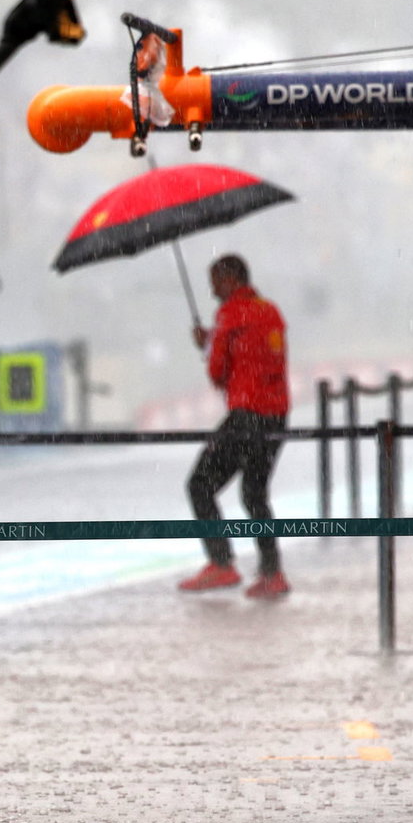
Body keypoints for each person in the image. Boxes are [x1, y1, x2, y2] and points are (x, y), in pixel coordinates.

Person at [179, 254, 292, 599]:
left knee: (200, 484)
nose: (212, 291)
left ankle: (221, 563)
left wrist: (209, 344)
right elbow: (260, 353)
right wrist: (216, 339)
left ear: (231, 279)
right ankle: (273, 572)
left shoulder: (229, 314)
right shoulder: (270, 311)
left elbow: (217, 372)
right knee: (254, 493)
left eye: (215, 281)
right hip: (276, 414)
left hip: (245, 414)